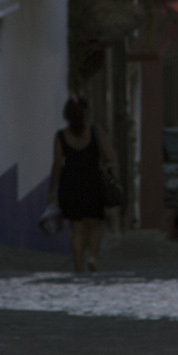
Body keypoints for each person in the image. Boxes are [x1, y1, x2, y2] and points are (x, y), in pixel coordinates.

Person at [47, 94, 116, 274]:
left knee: (76, 228)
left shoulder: (61, 137)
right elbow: (110, 156)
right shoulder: (95, 131)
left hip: (70, 185)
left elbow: (56, 165)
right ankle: (92, 258)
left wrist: (51, 190)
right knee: (95, 225)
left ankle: (78, 269)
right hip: (93, 184)